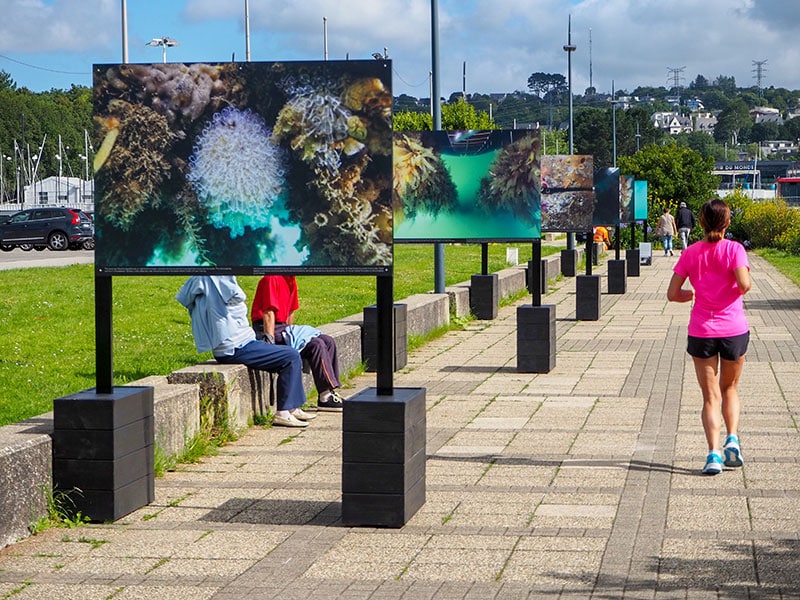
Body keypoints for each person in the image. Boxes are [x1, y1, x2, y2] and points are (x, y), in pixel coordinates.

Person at [667, 199, 751, 475]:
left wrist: (694, 294)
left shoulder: (690, 253)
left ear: (700, 223)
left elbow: (672, 294)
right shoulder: (735, 250)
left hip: (701, 330)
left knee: (709, 396)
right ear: (727, 223)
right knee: (730, 389)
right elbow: (744, 284)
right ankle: (733, 439)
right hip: (733, 329)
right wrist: (730, 292)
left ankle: (713, 454)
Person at [175, 275, 315, 428]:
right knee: (291, 355)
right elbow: (236, 295)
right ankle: (283, 412)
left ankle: (292, 408)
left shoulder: (205, 282)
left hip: (236, 344)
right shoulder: (216, 280)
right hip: (236, 347)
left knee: (288, 353)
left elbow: (185, 296)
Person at [251, 275, 345, 412]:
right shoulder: (272, 278)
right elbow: (268, 313)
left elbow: (290, 312)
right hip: (266, 328)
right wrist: (269, 342)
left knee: (327, 340)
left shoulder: (290, 280)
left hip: (283, 328)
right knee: (316, 344)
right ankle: (325, 396)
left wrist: (293, 337)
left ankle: (328, 391)